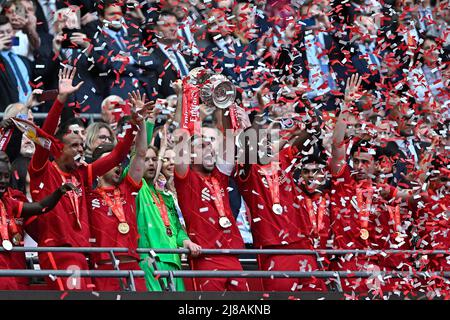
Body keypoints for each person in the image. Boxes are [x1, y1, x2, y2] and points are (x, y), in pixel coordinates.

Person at [28, 65, 138, 291]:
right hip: (58, 250)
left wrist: (133, 126)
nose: (81, 149)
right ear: (59, 148)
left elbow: (117, 155)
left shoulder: (82, 174)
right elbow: (43, 137)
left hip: (83, 253)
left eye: (82, 144)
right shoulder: (42, 168)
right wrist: (60, 100)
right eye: (74, 145)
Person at [86, 91, 149, 292]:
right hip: (103, 267)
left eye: (118, 162)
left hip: (132, 265)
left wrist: (141, 123)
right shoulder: (87, 193)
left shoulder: (127, 187)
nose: (118, 166)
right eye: (110, 162)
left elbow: (140, 154)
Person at [0, 150, 76, 290]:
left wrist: (58, 192)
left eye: (6, 176)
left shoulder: (10, 202)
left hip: (15, 272)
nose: (3, 180)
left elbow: (41, 206)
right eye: (0, 176)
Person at [0, 15, 33, 108]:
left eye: (9, 31)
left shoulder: (23, 60)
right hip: (7, 114)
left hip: (30, 112)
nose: (7, 35)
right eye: (1, 32)